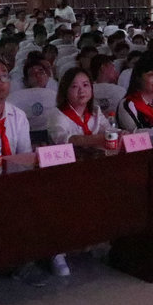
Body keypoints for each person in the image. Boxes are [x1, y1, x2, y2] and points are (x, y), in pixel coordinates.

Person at [45, 68, 111, 276]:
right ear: (65, 91)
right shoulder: (57, 114)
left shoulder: (96, 112)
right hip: (64, 173)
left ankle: (96, 240)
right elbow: (65, 139)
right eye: (74, 87)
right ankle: (57, 253)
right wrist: (99, 138)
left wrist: (119, 134)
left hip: (92, 170)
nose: (81, 91)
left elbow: (109, 131)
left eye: (85, 85)